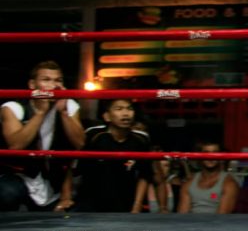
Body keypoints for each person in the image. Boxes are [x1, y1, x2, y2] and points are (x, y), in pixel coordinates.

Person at [0, 60, 85, 212]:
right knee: (7, 192)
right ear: (32, 85)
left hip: (55, 179)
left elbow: (80, 144)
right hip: (20, 176)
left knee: (79, 209)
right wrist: (40, 112)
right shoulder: (13, 107)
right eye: (46, 80)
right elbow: (16, 145)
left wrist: (64, 113)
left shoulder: (69, 105)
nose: (54, 85)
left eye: (58, 80)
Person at [74, 99, 153, 212]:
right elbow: (75, 169)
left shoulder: (141, 139)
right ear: (107, 116)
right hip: (92, 203)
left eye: (129, 109)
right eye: (119, 109)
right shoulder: (94, 135)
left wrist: (137, 205)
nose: (126, 113)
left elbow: (144, 175)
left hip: (126, 202)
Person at [177, 140, 239, 214]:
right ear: (200, 156)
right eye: (206, 153)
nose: (210, 157)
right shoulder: (189, 183)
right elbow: (182, 215)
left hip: (217, 224)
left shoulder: (229, 183)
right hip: (191, 224)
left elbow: (222, 217)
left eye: (215, 153)